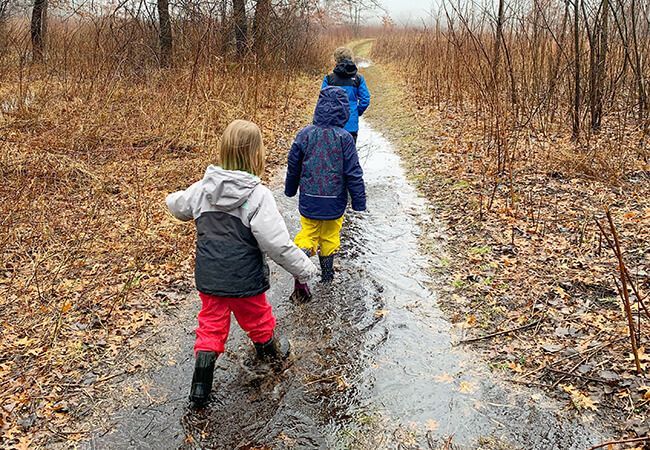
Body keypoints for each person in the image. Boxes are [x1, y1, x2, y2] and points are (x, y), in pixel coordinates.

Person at [166, 119, 317, 405]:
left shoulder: (202, 189)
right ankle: (269, 353)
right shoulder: (257, 196)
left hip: (210, 276)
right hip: (245, 279)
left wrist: (170, 198)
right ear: (256, 155)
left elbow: (179, 207)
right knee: (257, 316)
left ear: (224, 150)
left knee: (211, 324)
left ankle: (200, 386)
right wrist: (304, 268)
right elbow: (278, 245)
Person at [285, 86, 366, 302]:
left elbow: (293, 166)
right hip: (335, 201)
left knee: (308, 233)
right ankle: (327, 277)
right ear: (343, 112)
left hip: (309, 199)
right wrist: (358, 200)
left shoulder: (305, 134)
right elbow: (353, 172)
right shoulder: (345, 138)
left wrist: (290, 189)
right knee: (330, 236)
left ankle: (299, 267)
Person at [321, 46, 371, 143]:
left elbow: (323, 102)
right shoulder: (358, 78)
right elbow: (365, 100)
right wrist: (356, 112)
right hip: (351, 125)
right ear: (351, 58)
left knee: (333, 156)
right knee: (349, 156)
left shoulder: (329, 79)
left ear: (336, 60)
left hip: (332, 125)